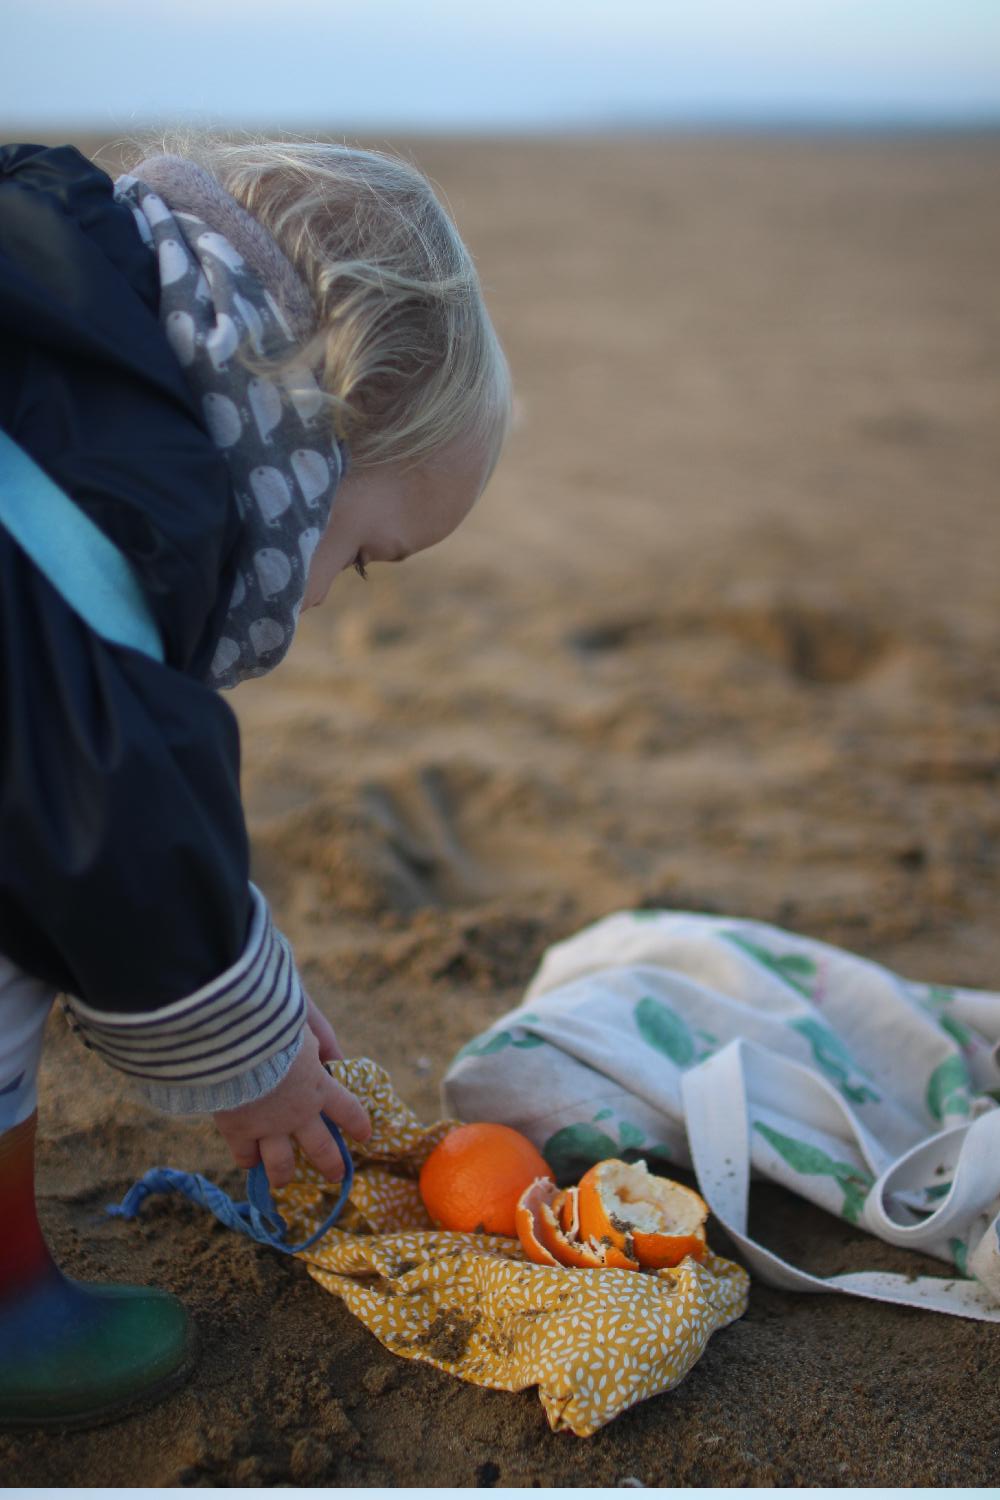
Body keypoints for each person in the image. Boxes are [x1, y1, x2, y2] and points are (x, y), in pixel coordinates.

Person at [0, 135, 511, 1427]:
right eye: (366, 557)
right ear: (301, 442)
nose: (330, 597)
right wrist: (254, 1060)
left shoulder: (64, 327)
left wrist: (251, 982)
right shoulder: (118, 512)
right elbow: (105, 796)